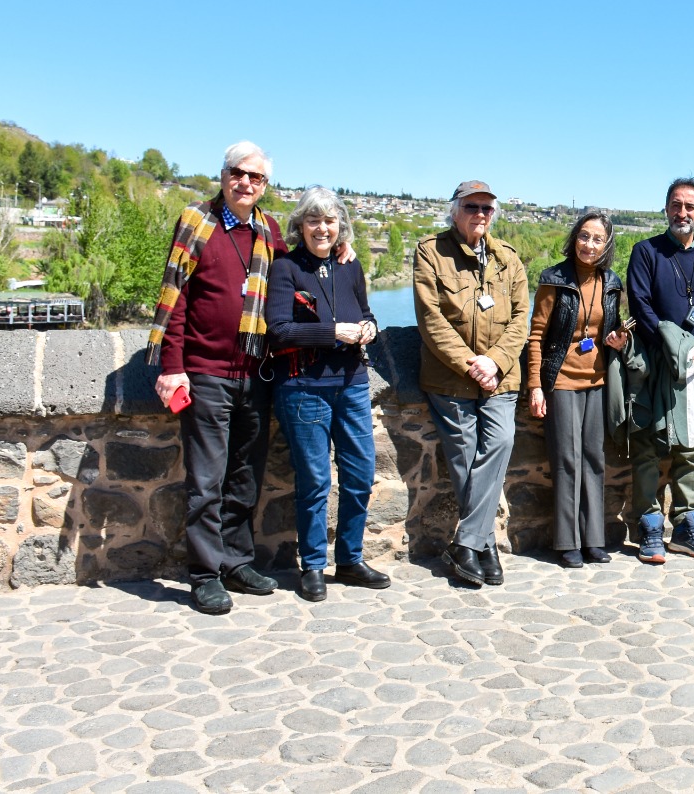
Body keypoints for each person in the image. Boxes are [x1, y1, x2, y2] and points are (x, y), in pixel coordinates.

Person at [149, 142, 287, 615]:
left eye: (256, 177)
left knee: (245, 477)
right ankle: (205, 574)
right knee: (206, 482)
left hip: (256, 373)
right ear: (223, 175)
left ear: (265, 185)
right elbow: (176, 298)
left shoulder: (269, 230)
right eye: (238, 173)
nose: (246, 183)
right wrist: (173, 366)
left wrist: (340, 247)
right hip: (206, 373)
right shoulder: (197, 222)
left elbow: (295, 274)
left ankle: (236, 562)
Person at [266, 187, 390, 601]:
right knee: (315, 480)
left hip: (352, 384)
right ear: (300, 225)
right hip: (304, 388)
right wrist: (332, 332)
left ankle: (350, 560)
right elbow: (278, 330)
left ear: (341, 226)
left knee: (360, 476)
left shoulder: (350, 266)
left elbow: (366, 313)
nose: (322, 228)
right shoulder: (285, 268)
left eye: (330, 220)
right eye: (314, 220)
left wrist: (369, 328)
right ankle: (314, 566)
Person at [414, 180, 529, 587]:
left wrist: (494, 361)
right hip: (450, 378)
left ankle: (466, 543)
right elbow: (430, 318)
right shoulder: (431, 252)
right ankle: (484, 546)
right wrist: (471, 364)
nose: (480, 214)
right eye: (472, 207)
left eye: (487, 208)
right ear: (455, 210)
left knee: (500, 441)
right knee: (464, 456)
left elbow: (521, 318)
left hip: (501, 375)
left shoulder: (508, 259)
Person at [625, 177, 694, 563]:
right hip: (653, 364)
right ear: (666, 208)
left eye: (690, 206)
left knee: (689, 448)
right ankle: (650, 525)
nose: (682, 213)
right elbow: (640, 304)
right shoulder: (646, 251)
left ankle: (686, 526)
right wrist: (673, 347)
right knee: (647, 446)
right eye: (676, 205)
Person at [526, 210, 630, 568]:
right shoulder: (554, 279)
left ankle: (594, 539)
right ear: (575, 239)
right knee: (566, 460)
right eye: (584, 236)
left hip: (598, 382)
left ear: (607, 244)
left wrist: (619, 339)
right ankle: (567, 541)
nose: (590, 244)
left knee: (594, 459)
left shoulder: (612, 282)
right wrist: (536, 385)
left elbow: (613, 329)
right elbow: (536, 337)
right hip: (562, 381)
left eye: (598, 239)